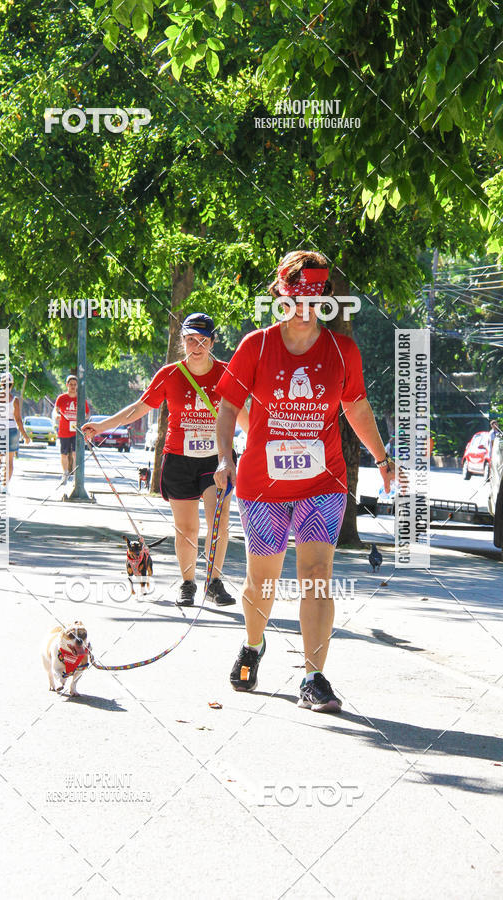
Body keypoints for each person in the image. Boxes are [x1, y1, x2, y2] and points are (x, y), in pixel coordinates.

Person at [214, 251, 395, 712]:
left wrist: (381, 455)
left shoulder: (342, 350)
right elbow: (229, 406)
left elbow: (354, 406)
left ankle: (314, 677)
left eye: (314, 300)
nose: (304, 309)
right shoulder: (256, 345)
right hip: (263, 483)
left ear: (325, 302)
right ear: (280, 295)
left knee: (317, 577)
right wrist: (224, 458)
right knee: (262, 582)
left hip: (323, 482)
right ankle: (254, 645)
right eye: (295, 298)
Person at [83, 313, 248, 607]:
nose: (196, 347)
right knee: (187, 528)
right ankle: (188, 584)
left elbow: (244, 416)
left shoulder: (228, 372)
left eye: (202, 341)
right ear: (182, 341)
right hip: (179, 458)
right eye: (189, 340)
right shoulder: (169, 374)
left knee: (218, 522)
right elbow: (138, 408)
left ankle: (214, 582)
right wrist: (102, 427)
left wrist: (268, 444)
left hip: (217, 459)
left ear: (212, 342)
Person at [0, 372, 30, 492]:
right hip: (11, 429)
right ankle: (5, 486)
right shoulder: (14, 400)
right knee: (9, 461)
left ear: (0, 383)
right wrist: (25, 436)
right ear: (12, 384)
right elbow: (18, 420)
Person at [54, 375, 90, 485]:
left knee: (75, 454)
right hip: (64, 431)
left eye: (75, 385)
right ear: (67, 385)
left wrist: (82, 418)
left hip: (76, 431)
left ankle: (75, 477)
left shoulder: (80, 399)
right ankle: (65, 474)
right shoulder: (61, 398)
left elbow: (87, 414)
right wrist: (57, 416)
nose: (73, 387)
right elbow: (56, 411)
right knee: (64, 454)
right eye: (71, 384)